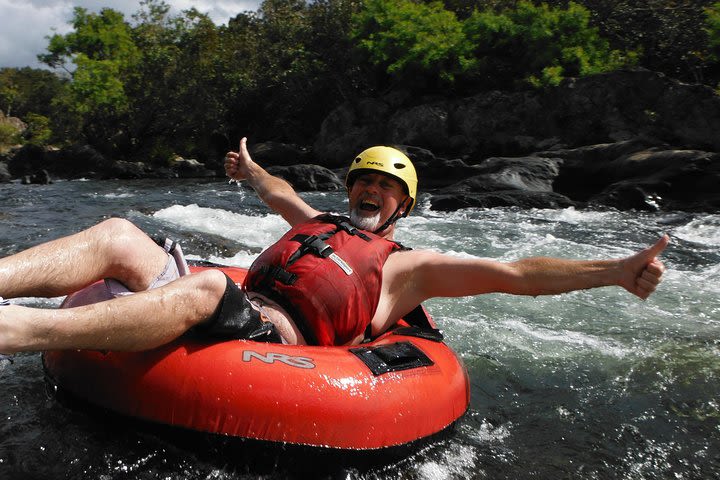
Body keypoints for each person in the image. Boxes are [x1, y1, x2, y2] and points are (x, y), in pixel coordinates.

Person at [0, 138, 668, 354]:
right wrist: (252, 170)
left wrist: (614, 271)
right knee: (120, 233)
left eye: (384, 187)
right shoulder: (318, 222)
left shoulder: (413, 267)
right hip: (225, 304)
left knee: (207, 286)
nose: (370, 192)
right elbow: (278, 194)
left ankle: (15, 332)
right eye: (363, 183)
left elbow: (519, 271)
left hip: (268, 335)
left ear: (401, 205)